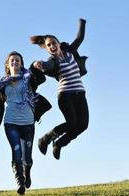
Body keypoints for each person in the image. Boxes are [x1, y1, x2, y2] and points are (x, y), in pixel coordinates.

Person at [0, 51, 51, 195]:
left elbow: (42, 78)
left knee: (27, 157)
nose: (15, 62)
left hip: (28, 122)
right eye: (12, 60)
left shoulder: (28, 78)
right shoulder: (3, 84)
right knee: (16, 152)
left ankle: (26, 171)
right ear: (7, 64)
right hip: (10, 122)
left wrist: (35, 65)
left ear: (21, 64)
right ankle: (20, 181)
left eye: (17, 60)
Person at [30, 18, 89, 160]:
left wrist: (82, 22)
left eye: (53, 43)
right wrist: (40, 64)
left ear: (58, 43)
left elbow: (79, 38)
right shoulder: (52, 61)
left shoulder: (70, 51)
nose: (51, 46)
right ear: (47, 48)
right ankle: (46, 138)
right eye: (48, 45)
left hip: (80, 94)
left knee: (83, 125)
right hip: (65, 96)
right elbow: (48, 66)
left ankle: (59, 143)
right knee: (72, 124)